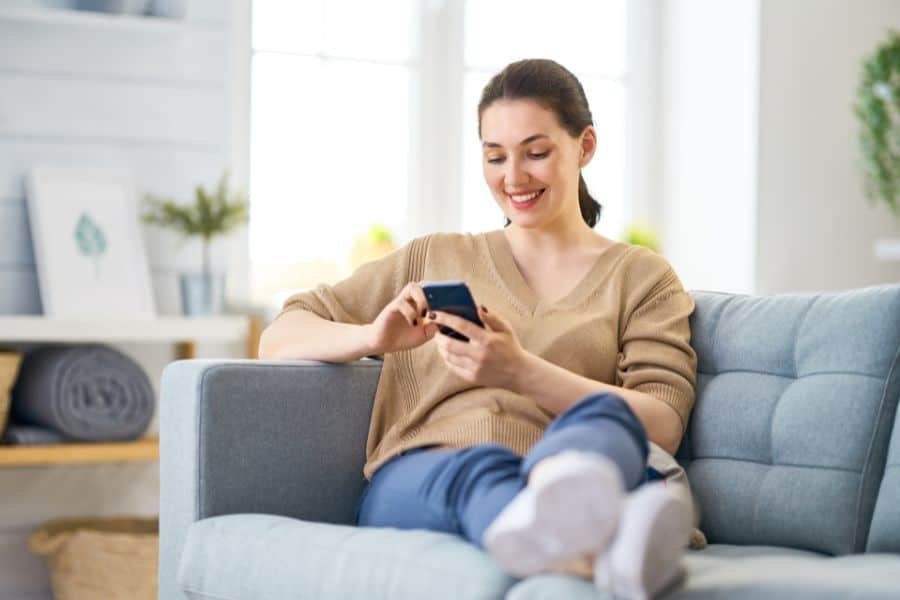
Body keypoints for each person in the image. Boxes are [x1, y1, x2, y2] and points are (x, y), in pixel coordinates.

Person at [259, 58, 698, 599]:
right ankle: (603, 549)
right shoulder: (436, 256)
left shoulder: (642, 276)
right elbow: (279, 334)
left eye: (536, 153)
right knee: (481, 469)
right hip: (429, 475)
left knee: (604, 418)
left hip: (557, 461)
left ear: (585, 147)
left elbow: (662, 421)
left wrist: (518, 371)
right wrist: (373, 337)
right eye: (495, 157)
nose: (513, 177)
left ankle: (570, 522)